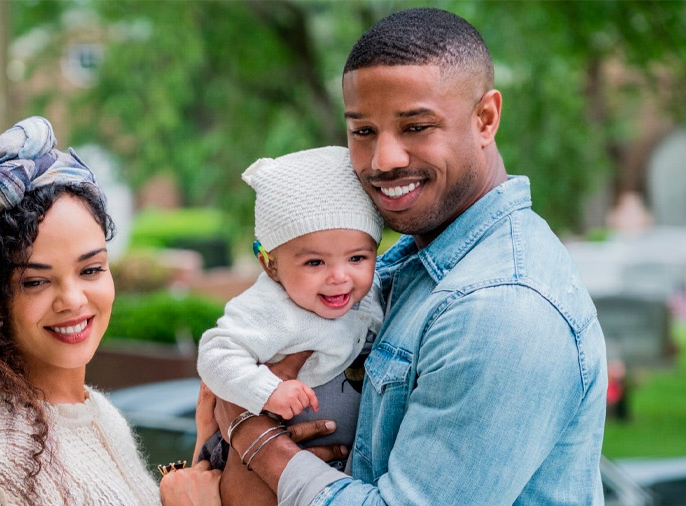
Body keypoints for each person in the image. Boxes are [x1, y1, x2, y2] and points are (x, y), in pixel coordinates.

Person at [211, 8, 607, 505]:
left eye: (417, 127)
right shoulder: (410, 262)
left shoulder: (503, 308)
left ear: (485, 119)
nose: (384, 160)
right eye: (363, 132)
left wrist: (255, 440)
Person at [0, 117, 220, 506]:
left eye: (90, 269)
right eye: (35, 281)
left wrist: (207, 446)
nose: (72, 299)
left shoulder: (99, 413)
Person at [195, 146, 384, 471]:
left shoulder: (371, 291)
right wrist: (267, 391)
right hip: (244, 459)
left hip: (328, 469)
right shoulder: (270, 305)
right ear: (271, 266)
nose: (340, 277)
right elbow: (215, 354)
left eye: (357, 258)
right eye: (314, 262)